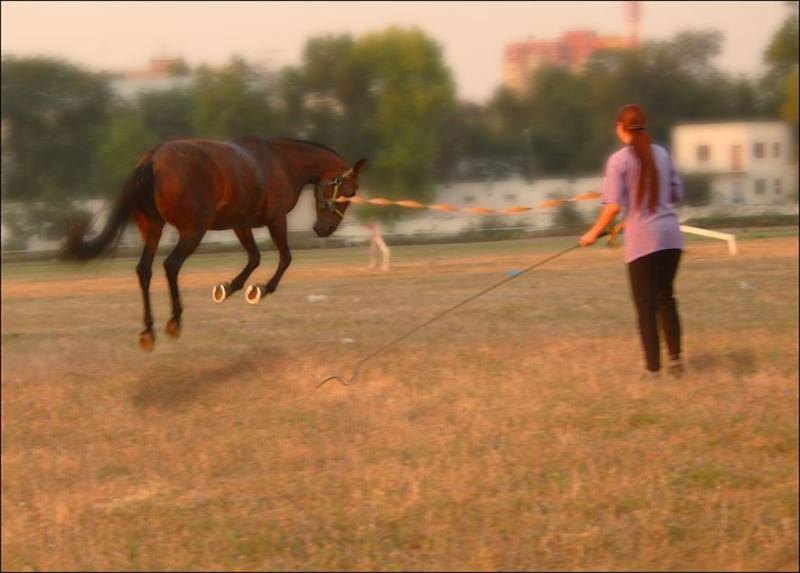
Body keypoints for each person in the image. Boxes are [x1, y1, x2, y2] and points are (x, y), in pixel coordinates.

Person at [580, 104, 685, 379]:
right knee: (665, 298)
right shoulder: (662, 153)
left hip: (643, 243)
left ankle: (653, 370)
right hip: (671, 238)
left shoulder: (619, 161)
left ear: (620, 128)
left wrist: (592, 234)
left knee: (645, 306)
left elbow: (613, 206)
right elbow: (675, 192)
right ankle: (675, 361)